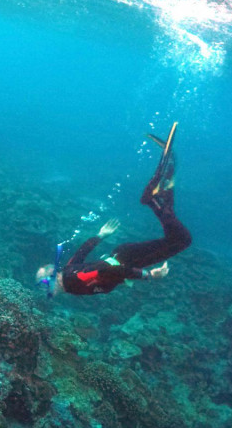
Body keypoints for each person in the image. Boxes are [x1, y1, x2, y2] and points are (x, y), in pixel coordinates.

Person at [36, 122, 192, 297]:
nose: (42, 288)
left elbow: (107, 269)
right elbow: (82, 253)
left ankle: (153, 200)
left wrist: (148, 276)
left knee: (182, 240)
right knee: (176, 239)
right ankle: (160, 196)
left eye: (42, 282)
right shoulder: (69, 276)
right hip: (123, 255)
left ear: (52, 277)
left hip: (127, 259)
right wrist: (101, 235)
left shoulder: (73, 280)